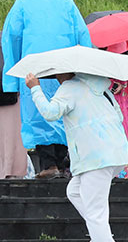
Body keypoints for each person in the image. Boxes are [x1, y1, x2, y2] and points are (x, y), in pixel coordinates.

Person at [1, 0, 91, 178]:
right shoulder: (67, 3)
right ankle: (62, 164)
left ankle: (48, 165)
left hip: (34, 73)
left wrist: (11, 78)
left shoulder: (22, 4)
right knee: (64, 114)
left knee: (38, 115)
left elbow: (11, 40)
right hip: (65, 73)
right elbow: (83, 38)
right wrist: (85, 74)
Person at [27, 70, 128, 242]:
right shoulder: (100, 88)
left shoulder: (70, 88)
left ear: (64, 74)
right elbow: (118, 115)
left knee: (96, 214)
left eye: (56, 76)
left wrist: (35, 88)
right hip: (114, 152)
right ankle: (101, 233)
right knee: (74, 191)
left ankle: (101, 236)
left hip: (95, 158)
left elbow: (50, 113)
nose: (57, 80)